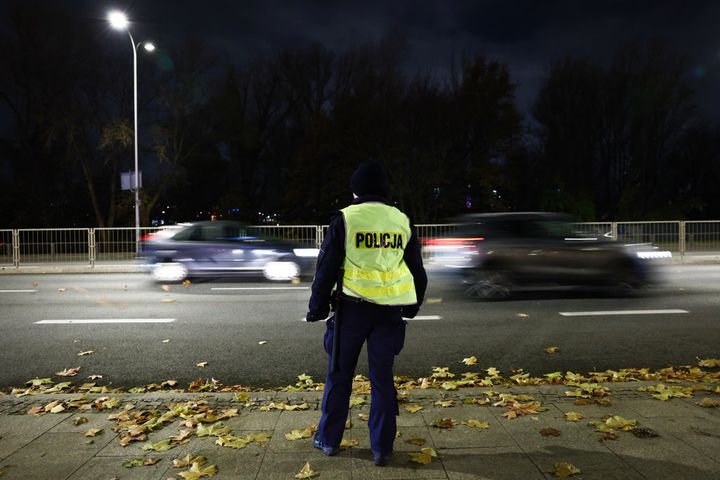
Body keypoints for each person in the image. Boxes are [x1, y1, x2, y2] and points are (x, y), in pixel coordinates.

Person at [305, 160, 428, 466]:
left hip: (351, 313)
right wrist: (412, 307)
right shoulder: (401, 220)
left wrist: (316, 308)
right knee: (382, 380)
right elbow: (417, 272)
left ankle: (329, 440)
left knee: (339, 376)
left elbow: (326, 269)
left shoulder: (346, 219)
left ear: (356, 189)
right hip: (388, 314)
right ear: (385, 189)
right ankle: (382, 449)